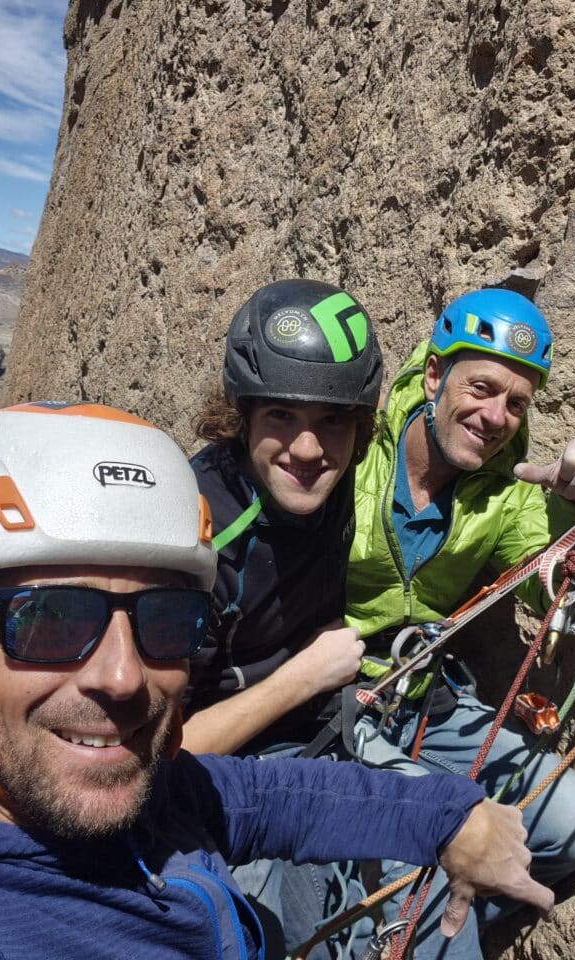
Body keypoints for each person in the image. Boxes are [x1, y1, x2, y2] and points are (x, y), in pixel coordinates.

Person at [0, 401, 552, 959]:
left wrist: (451, 817)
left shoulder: (120, 792)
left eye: (164, 621)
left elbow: (264, 799)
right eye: (50, 621)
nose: (122, 676)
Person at [340, 287, 575, 952]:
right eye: (482, 387)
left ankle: (427, 932)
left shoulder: (507, 485)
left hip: (421, 703)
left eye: (517, 402)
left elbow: (554, 585)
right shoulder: (355, 449)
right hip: (332, 708)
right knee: (438, 847)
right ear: (436, 374)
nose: (496, 416)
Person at [183, 278, 386, 957]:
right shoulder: (198, 542)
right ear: (241, 416)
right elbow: (160, 755)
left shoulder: (350, 479)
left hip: (310, 737)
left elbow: (451, 426)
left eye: (332, 420)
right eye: (281, 417)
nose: (307, 449)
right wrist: (303, 678)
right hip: (212, 774)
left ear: (360, 428)